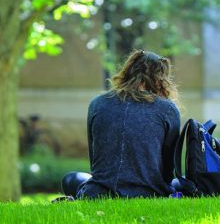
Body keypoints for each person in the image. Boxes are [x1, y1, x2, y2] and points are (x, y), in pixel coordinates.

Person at [61, 49, 181, 199]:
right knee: (180, 184)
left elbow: (95, 161)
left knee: (71, 178)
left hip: (99, 192)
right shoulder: (167, 109)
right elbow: (168, 167)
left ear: (127, 71)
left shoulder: (97, 104)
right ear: (161, 79)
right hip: (150, 192)